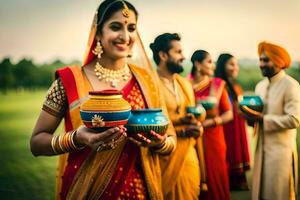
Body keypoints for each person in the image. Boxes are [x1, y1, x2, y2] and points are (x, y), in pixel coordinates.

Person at [30, 1, 176, 199]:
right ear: (98, 33)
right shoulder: (69, 81)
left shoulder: (148, 81)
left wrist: (157, 143)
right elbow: (37, 143)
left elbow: (170, 140)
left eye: (131, 28)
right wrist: (77, 138)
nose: (125, 36)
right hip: (85, 190)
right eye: (115, 27)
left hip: (140, 190)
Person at [149, 33, 206, 199]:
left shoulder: (185, 84)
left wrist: (197, 123)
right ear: (163, 55)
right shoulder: (150, 84)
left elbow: (192, 114)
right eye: (178, 52)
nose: (183, 57)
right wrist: (180, 131)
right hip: (163, 155)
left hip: (188, 154)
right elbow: (152, 122)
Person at [250, 41, 300, 200]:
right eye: (260, 60)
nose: (261, 64)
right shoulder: (260, 86)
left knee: (279, 194)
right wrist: (250, 118)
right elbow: (258, 116)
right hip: (261, 150)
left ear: (279, 62)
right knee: (261, 193)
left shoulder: (290, 85)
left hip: (281, 154)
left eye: (266, 60)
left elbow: (294, 119)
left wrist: (263, 119)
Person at [190, 50, 232, 200]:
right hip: (192, 136)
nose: (212, 66)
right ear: (197, 64)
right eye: (209, 62)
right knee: (194, 174)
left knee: (216, 173)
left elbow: (229, 114)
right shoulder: (184, 84)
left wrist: (210, 122)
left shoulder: (218, 84)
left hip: (214, 137)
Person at [215, 53, 250, 190]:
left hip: (237, 124)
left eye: (236, 64)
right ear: (222, 66)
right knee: (229, 151)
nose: (236, 68)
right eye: (231, 64)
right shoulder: (218, 85)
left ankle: (238, 179)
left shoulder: (235, 86)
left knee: (238, 149)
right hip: (226, 125)